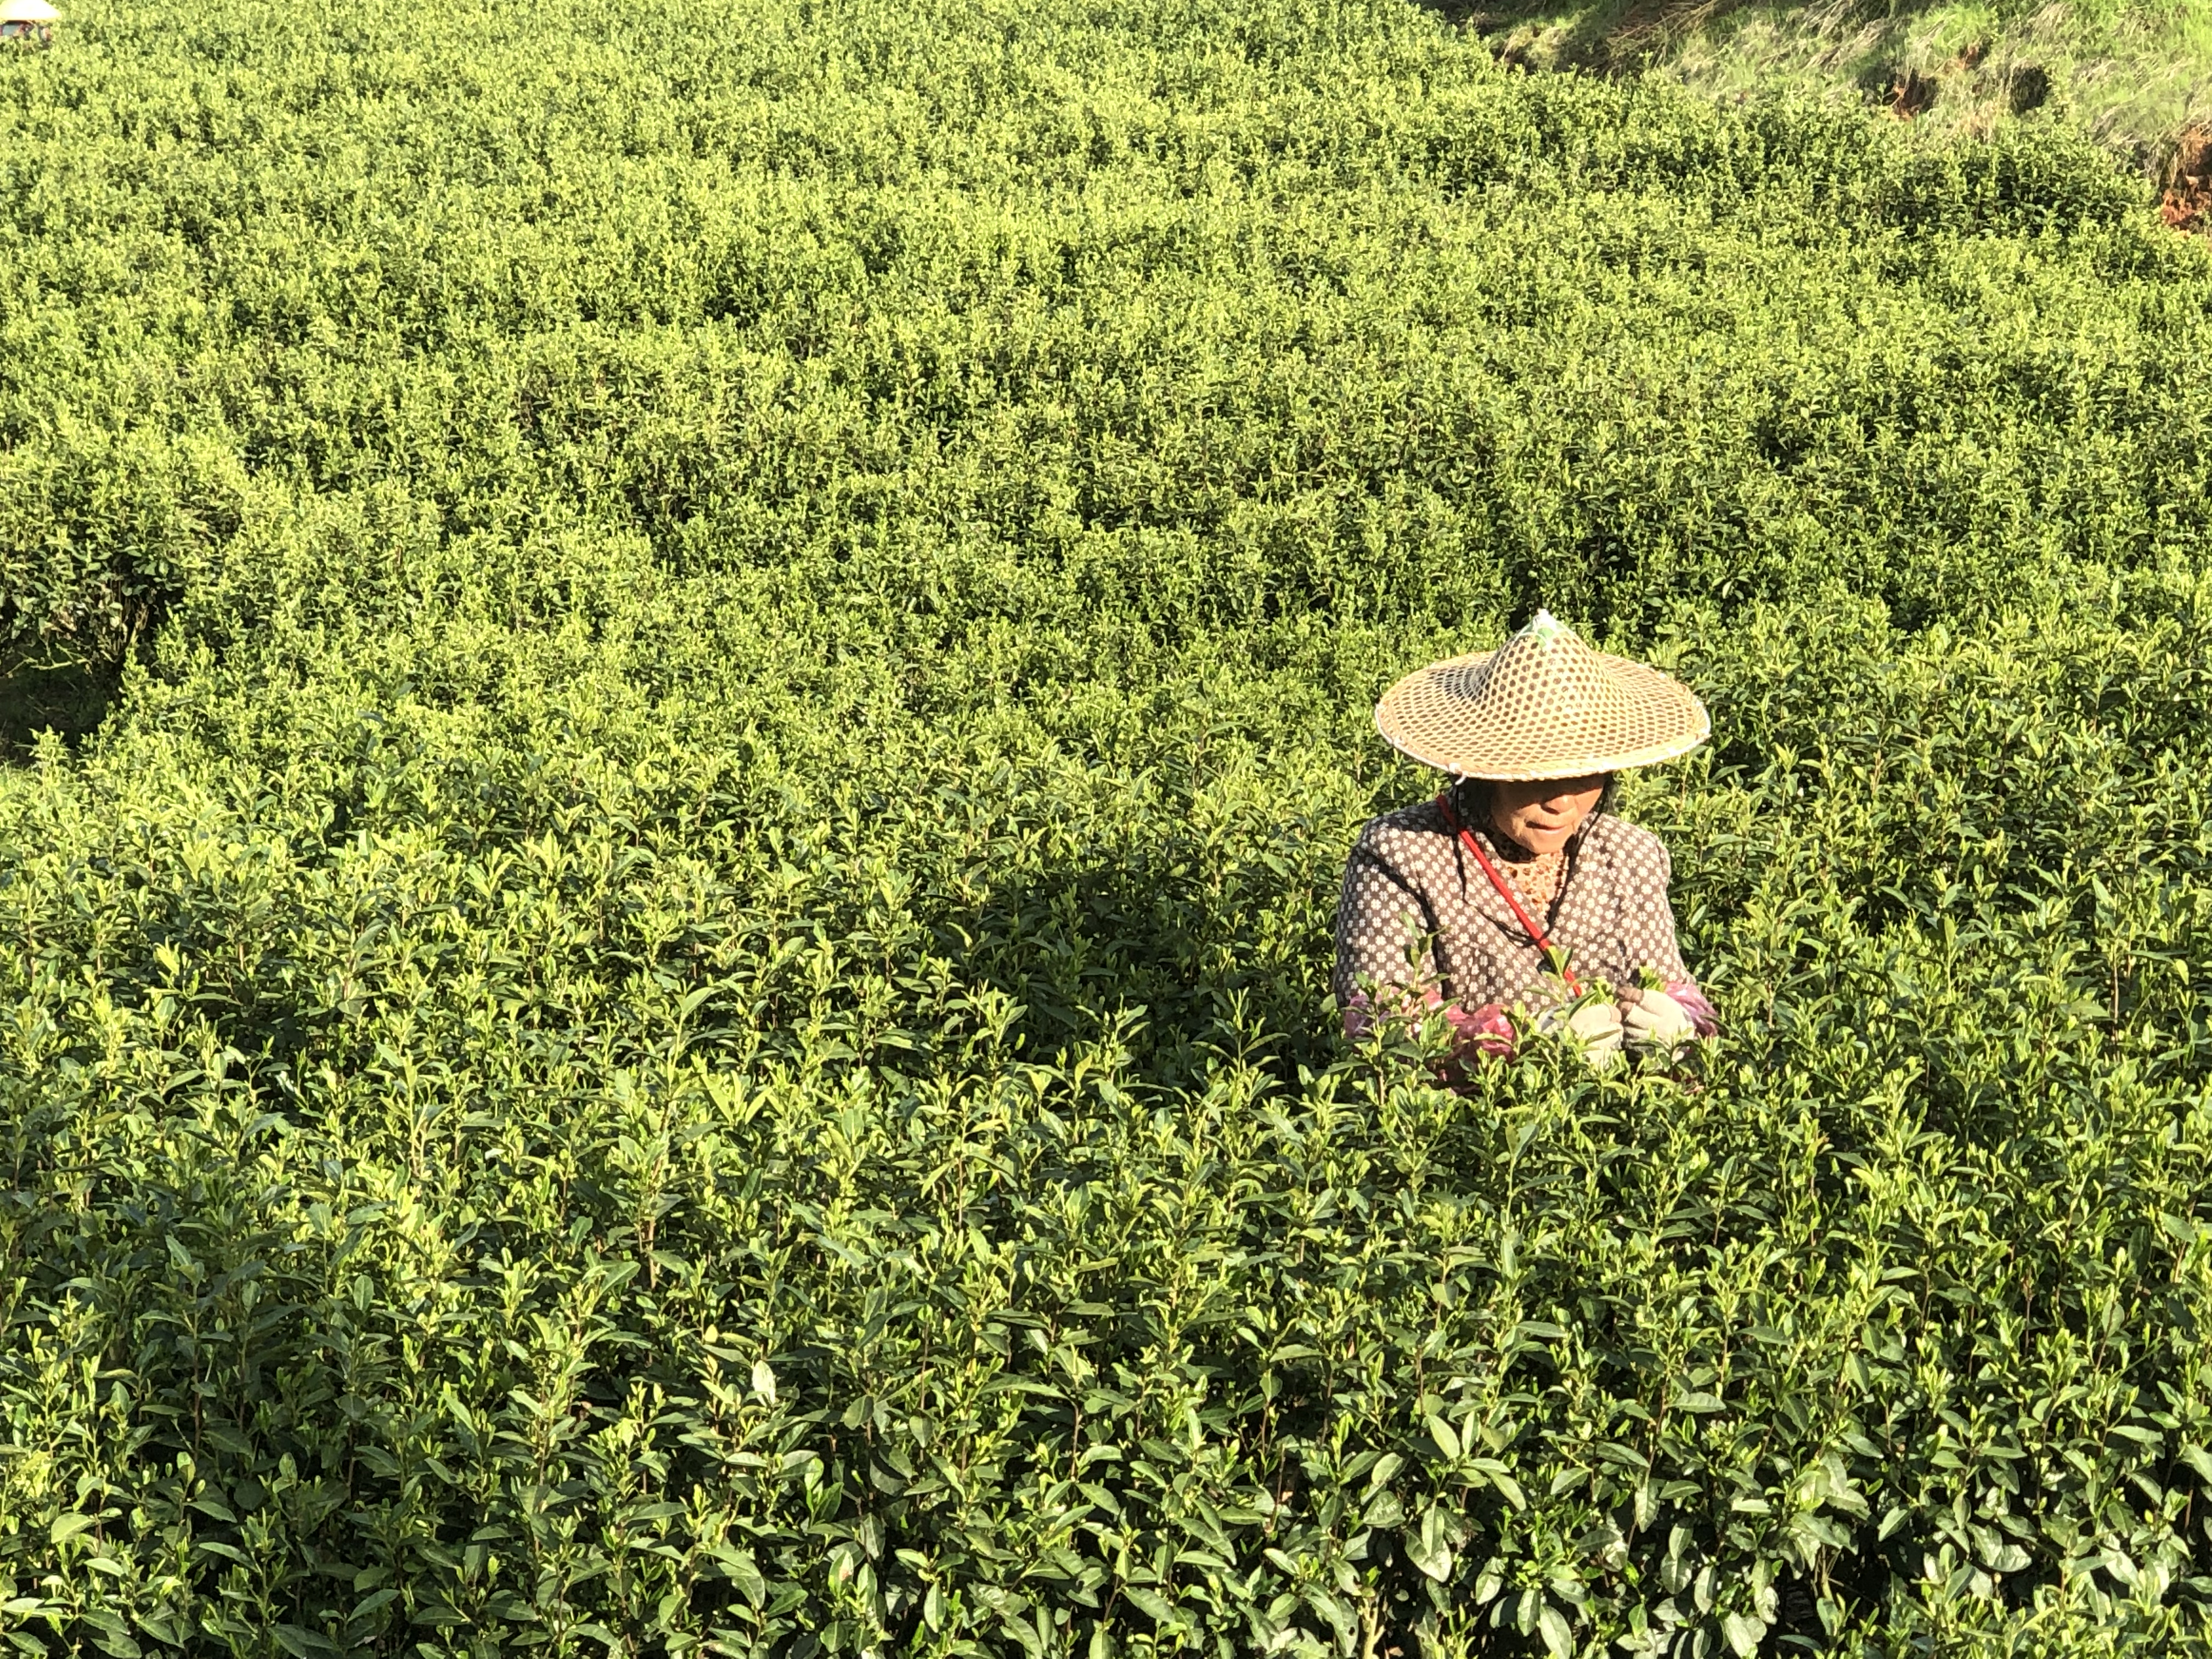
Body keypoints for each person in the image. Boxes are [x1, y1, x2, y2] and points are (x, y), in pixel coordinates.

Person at [1333, 611, 1717, 1069]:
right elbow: (1381, 1022)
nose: (1561, 803)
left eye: (1584, 775)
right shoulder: (1401, 854)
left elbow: (1673, 985)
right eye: (1536, 777)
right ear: (1484, 768)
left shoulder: (1629, 855)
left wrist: (1683, 1024)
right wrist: (1525, 1043)